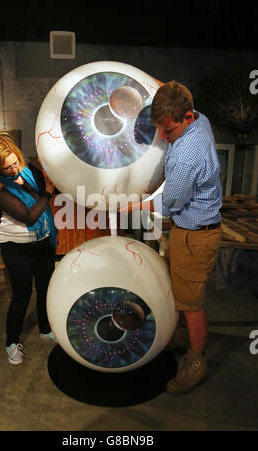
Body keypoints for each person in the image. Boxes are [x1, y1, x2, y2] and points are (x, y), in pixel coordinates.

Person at [120, 81, 222, 395]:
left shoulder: (187, 154)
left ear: (187, 117)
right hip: (187, 231)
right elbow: (175, 95)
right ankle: (182, 339)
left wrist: (134, 205)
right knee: (178, 292)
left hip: (196, 236)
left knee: (191, 304)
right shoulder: (198, 119)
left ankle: (195, 361)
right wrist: (162, 88)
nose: (164, 137)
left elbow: (170, 203)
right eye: (160, 129)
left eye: (169, 130)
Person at [0, 133, 58, 365]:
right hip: (17, 248)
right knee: (22, 296)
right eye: (8, 168)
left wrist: (43, 190)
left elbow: (38, 198)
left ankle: (45, 328)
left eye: (16, 163)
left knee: (45, 288)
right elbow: (28, 216)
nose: (15, 169)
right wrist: (47, 192)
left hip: (43, 241)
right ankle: (12, 342)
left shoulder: (29, 170)